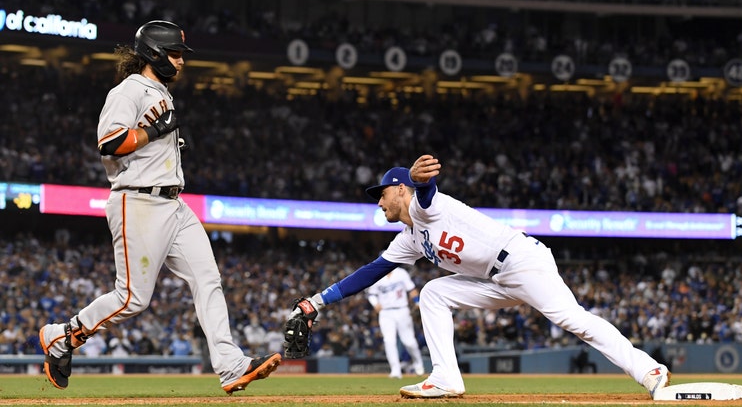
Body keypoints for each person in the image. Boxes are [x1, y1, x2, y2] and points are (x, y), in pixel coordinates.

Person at [288, 154, 670, 399]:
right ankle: (446, 378)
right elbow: (370, 272)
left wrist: (422, 181)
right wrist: (316, 300)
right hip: (493, 280)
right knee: (435, 293)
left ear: (400, 189)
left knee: (572, 319)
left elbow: (427, 196)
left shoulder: (425, 208)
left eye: (383, 193)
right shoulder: (409, 239)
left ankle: (647, 369)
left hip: (522, 261)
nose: (379, 200)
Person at [37, 20, 280, 394]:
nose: (181, 61)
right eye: (175, 53)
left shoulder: (160, 91)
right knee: (132, 299)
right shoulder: (128, 90)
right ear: (154, 53)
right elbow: (109, 142)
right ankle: (62, 336)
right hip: (137, 201)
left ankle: (231, 365)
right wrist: (153, 133)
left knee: (208, 279)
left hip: (174, 204)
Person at [366, 267, 425, 379]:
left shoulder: (400, 273)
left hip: (402, 309)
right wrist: (375, 304)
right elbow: (371, 294)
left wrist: (417, 301)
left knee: (409, 341)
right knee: (389, 340)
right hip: (385, 312)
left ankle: (418, 363)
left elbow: (411, 289)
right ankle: (395, 370)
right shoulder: (377, 274)